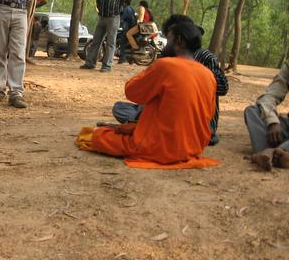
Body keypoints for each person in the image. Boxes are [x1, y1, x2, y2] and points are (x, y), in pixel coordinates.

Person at [77, 22, 218, 169]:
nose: (165, 44)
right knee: (126, 127)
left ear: (179, 40)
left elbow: (132, 92)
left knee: (99, 135)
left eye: (168, 39)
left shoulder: (166, 65)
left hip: (161, 148)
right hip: (194, 148)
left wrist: (153, 68)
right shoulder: (208, 75)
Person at [112, 14, 228, 146]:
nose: (167, 42)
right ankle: (140, 123)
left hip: (196, 123)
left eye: (170, 38)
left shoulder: (204, 58)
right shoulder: (168, 61)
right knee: (120, 107)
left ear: (179, 39)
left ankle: (140, 125)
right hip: (175, 120)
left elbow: (223, 87)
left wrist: (187, 77)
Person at [244, 29, 289, 170]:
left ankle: (274, 152)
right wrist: (272, 122)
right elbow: (270, 96)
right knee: (252, 111)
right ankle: (279, 155)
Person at [81, 0, 138, 73]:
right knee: (96, 41)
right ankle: (90, 63)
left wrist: (124, 0)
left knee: (111, 43)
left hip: (114, 17)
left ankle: (106, 66)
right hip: (102, 16)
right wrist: (99, 6)